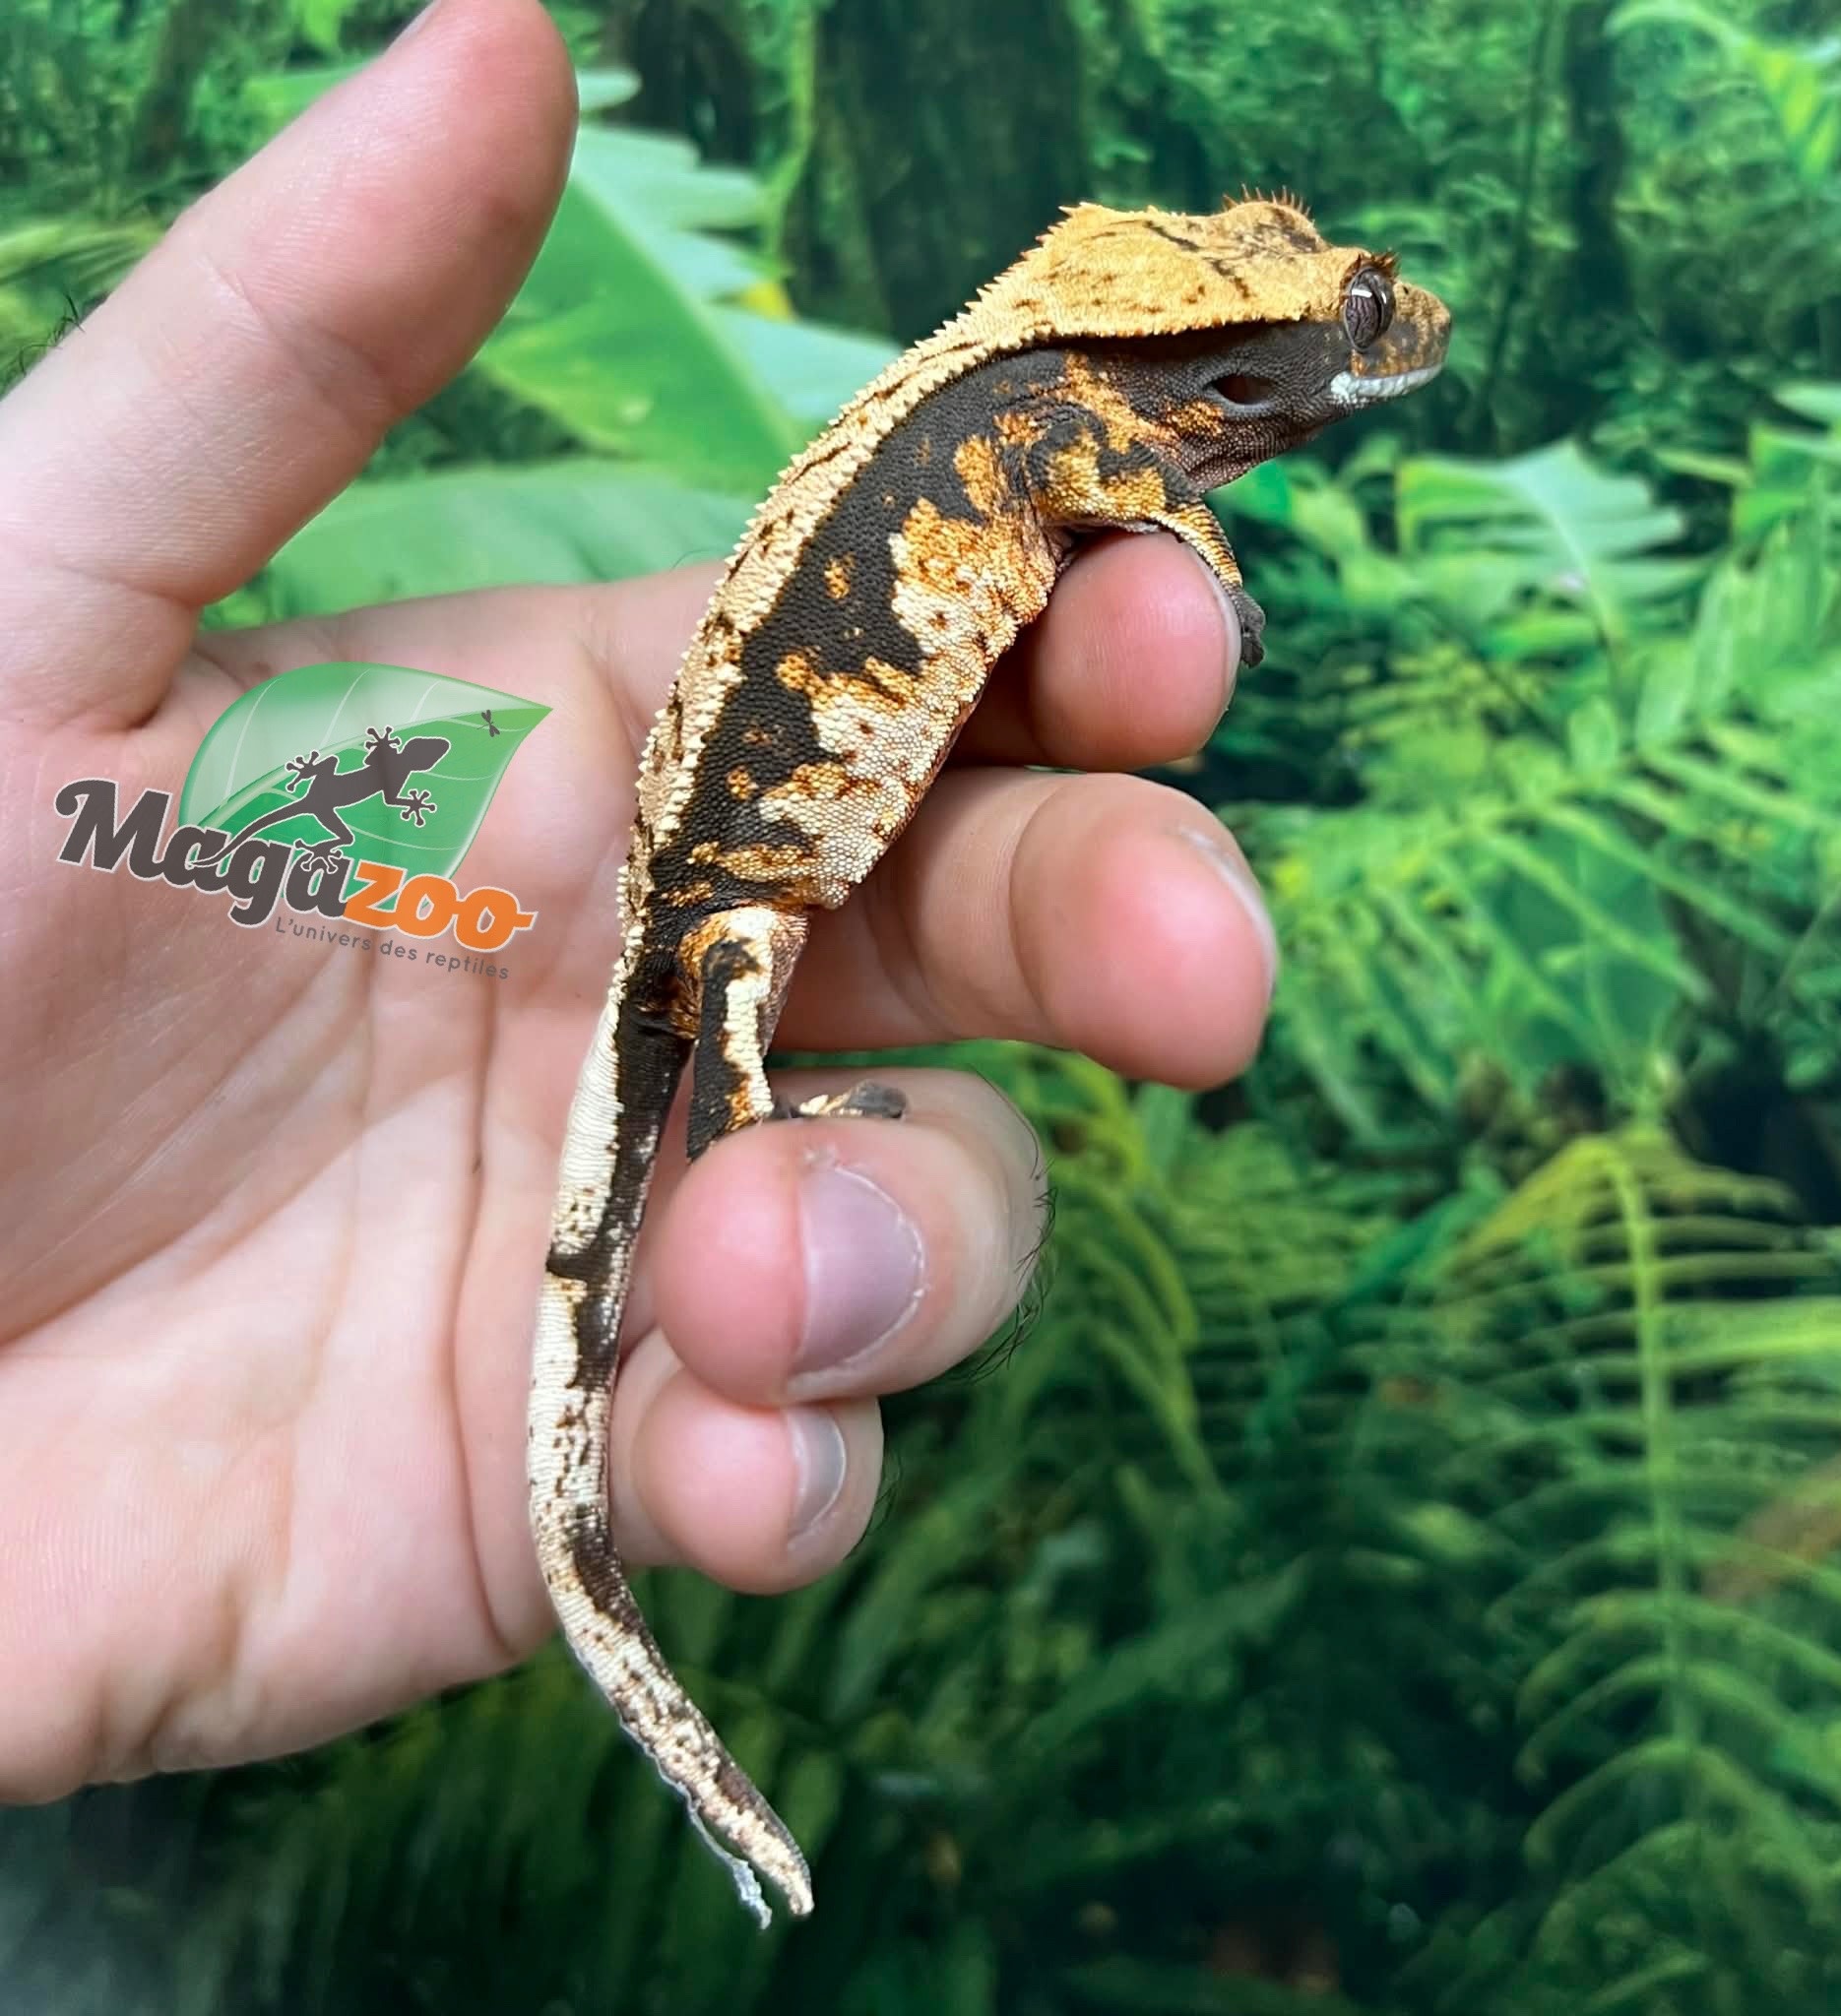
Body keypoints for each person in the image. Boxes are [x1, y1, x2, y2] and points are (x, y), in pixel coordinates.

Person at [0, 0, 1275, 1799]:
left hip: (726, 836)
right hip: (729, 870)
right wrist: (1180, 517)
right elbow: (1082, 464)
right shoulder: (1046, 412)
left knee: (699, 1157)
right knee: (720, 1017)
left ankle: (619, 1530)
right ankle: (707, 1257)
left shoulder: (1029, 401)